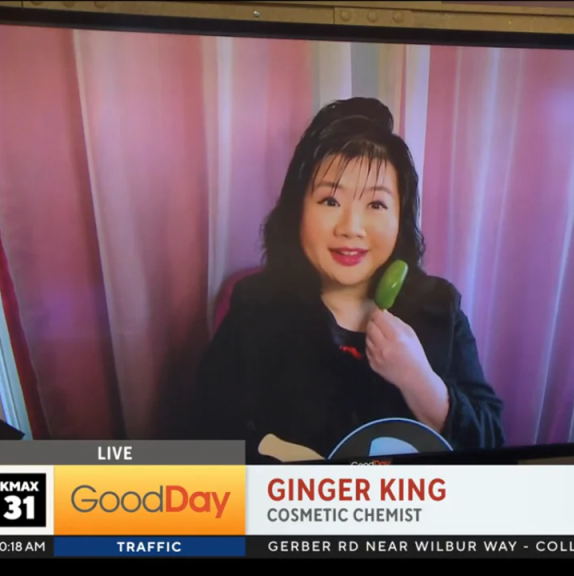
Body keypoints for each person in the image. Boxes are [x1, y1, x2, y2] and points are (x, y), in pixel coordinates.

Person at [189, 97, 505, 463]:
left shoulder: (439, 307)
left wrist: (420, 382)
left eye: (376, 205)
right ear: (298, 210)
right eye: (330, 201)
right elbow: (199, 445)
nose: (351, 228)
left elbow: (493, 446)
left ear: (400, 217)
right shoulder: (256, 308)